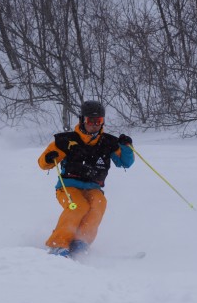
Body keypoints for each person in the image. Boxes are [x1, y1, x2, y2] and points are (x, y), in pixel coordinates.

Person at [37, 100, 134, 257]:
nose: (95, 125)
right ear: (82, 120)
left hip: (93, 187)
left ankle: (81, 241)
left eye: (99, 121)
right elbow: (43, 164)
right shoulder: (66, 140)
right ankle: (58, 244)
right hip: (68, 186)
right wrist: (49, 158)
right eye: (91, 121)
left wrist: (126, 147)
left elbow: (125, 163)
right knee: (78, 206)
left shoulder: (108, 142)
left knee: (99, 204)